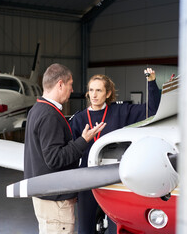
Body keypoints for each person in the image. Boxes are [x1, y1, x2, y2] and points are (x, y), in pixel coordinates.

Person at [70, 68, 161, 234]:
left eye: (99, 90)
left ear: (108, 93)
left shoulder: (121, 111)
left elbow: (153, 110)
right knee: (85, 229)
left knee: (116, 228)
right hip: (87, 180)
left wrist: (152, 82)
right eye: (91, 90)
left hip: (114, 179)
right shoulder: (78, 119)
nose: (94, 94)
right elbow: (72, 154)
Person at [24, 63, 106, 234]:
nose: (72, 89)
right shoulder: (49, 115)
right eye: (70, 84)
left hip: (44, 194)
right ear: (60, 84)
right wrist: (83, 141)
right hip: (55, 201)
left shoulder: (37, 109)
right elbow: (54, 159)